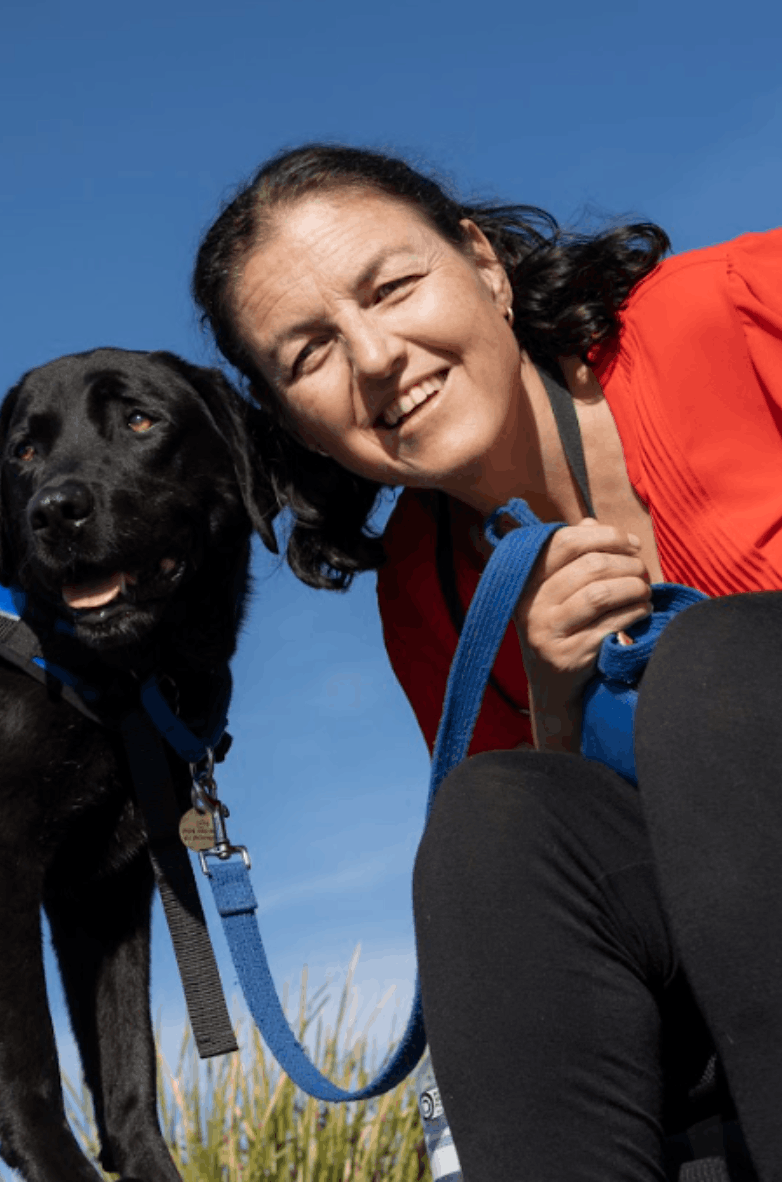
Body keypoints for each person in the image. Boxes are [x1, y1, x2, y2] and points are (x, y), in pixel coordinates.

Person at [192, 143, 782, 1181]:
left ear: (484, 263)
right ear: (297, 426)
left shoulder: (737, 310)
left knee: (716, 672)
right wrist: (559, 712)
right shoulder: (426, 597)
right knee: (493, 817)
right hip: (723, 963)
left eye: (394, 286)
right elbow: (574, 899)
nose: (376, 357)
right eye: (309, 355)